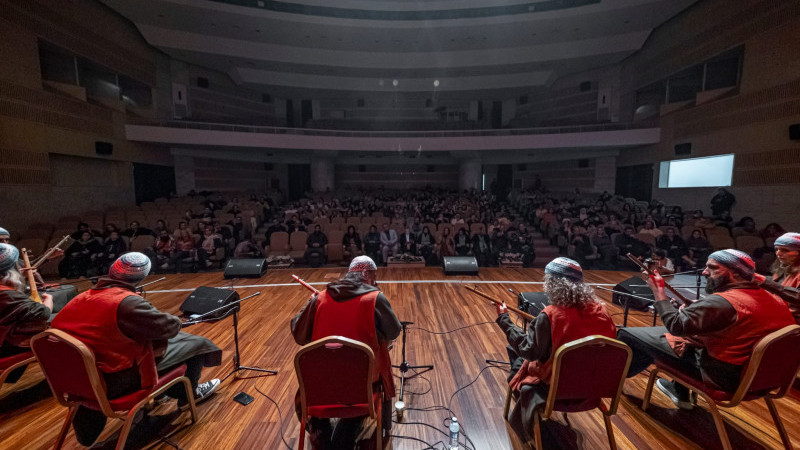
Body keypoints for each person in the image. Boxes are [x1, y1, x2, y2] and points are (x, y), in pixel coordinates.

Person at [51, 253, 222, 446]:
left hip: (78, 379)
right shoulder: (126, 302)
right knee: (196, 343)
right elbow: (169, 328)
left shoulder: (80, 298)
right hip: (116, 381)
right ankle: (187, 395)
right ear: (141, 277)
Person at [617, 249, 794, 410]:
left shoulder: (722, 302)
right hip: (760, 378)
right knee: (681, 339)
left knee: (627, 334)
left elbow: (676, 326)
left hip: (723, 377)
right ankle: (679, 390)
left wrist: (659, 293)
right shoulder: (775, 300)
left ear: (735, 273)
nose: (704, 272)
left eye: (713, 268)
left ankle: (611, 381)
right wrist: (700, 308)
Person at [495, 257, 616, 441]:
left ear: (553, 283)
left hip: (557, 389)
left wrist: (505, 320)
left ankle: (526, 406)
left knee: (519, 358)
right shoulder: (603, 312)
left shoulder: (549, 316)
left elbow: (528, 351)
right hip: (593, 387)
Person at [291, 256, 401, 449]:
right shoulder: (374, 298)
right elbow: (393, 331)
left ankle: (321, 426)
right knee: (371, 368)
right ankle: (352, 424)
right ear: (366, 274)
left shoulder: (320, 298)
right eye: (374, 277)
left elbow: (299, 335)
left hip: (320, 387)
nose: (375, 283)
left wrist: (313, 304)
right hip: (362, 387)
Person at [0, 243, 53, 384]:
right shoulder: (6, 294)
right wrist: (49, 300)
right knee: (60, 334)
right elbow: (43, 312)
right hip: (5, 347)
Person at [754, 232, 800, 324]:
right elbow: (777, 282)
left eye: (785, 250)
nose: (778, 253)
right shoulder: (784, 268)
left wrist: (764, 282)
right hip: (781, 317)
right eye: (777, 249)